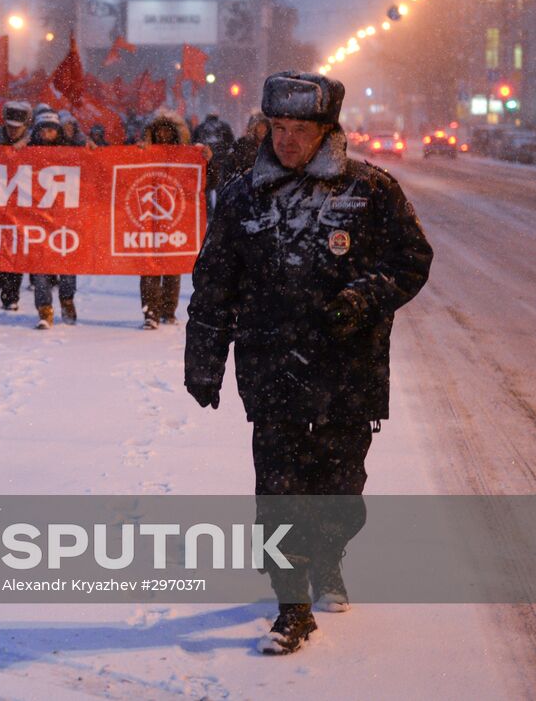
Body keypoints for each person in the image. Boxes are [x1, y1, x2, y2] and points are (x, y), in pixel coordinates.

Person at [185, 71, 432, 656]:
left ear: (327, 131)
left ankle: (329, 559)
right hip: (271, 370)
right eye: (279, 127)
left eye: (300, 129)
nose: (287, 140)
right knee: (278, 490)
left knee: (341, 492)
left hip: (349, 370)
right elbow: (214, 281)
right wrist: (204, 359)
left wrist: (362, 299)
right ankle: (291, 604)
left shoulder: (370, 190)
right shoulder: (244, 193)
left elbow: (412, 259)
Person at [137, 110, 195, 329]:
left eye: (166, 131)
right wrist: (137, 153)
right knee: (149, 265)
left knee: (172, 263)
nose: (162, 135)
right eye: (158, 130)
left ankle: (168, 310)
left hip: (174, 218)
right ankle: (150, 312)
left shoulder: (186, 154)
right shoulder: (142, 151)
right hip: (147, 221)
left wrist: (207, 160)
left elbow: (207, 180)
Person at [26, 112, 78, 328]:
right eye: (43, 129)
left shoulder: (71, 151)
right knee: (39, 265)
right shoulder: (27, 151)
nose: (47, 134)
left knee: (68, 263)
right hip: (37, 217)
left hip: (65, 216)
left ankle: (67, 300)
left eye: (51, 129)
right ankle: (44, 309)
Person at [0, 101, 33, 311]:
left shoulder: (33, 141)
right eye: (10, 126)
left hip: (20, 206)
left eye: (17, 128)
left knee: (16, 252)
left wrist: (29, 148)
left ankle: (11, 296)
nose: (13, 131)